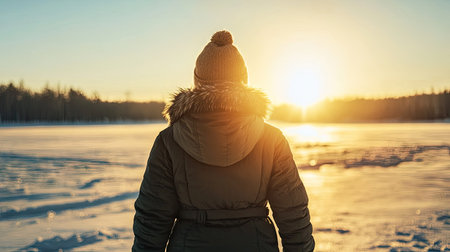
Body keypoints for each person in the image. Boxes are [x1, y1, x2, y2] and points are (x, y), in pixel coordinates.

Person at [132, 30, 314, 252]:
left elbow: (152, 217)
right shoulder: (272, 139)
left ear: (197, 82)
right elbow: (293, 213)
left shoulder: (169, 141)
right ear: (243, 81)